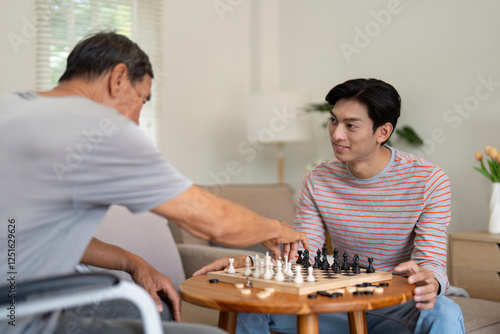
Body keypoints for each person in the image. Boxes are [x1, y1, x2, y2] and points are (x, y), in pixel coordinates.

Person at [0, 31, 308, 334]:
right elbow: (213, 221)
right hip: (27, 317)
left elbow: (27, 235)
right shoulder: (101, 131)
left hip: (13, 303)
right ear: (118, 78)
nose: (135, 121)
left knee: (151, 308)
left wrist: (133, 262)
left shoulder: (11, 107)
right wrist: (276, 229)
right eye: (141, 100)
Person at [195, 78, 465, 333]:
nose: (336, 134)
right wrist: (252, 265)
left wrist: (431, 279)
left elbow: (431, 261)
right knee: (247, 303)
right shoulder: (319, 178)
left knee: (443, 312)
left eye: (351, 125)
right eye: (333, 121)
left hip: (396, 306)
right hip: (337, 303)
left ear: (383, 131)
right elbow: (304, 254)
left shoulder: (428, 180)